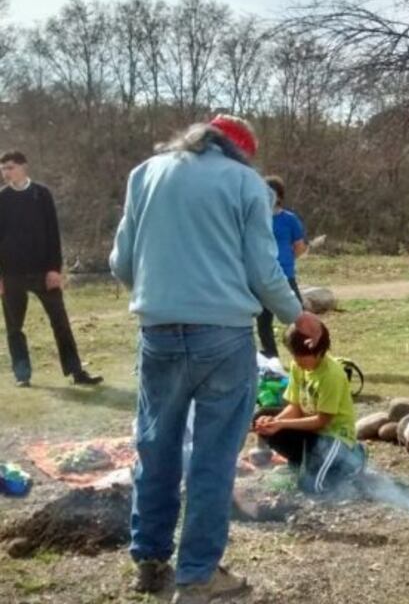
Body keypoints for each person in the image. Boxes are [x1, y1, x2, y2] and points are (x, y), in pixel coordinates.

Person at [110, 114, 324, 603]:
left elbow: (121, 262)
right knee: (212, 458)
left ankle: (149, 560)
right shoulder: (246, 184)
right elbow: (263, 270)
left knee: (156, 446)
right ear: (241, 152)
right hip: (223, 337)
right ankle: (197, 577)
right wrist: (297, 315)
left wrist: (161, 291)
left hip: (158, 333)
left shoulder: (145, 174)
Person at [0, 150, 102, 388]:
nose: (6, 173)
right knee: (14, 328)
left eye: (10, 167)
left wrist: (55, 269)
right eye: (3, 169)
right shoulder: (1, 198)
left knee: (60, 322)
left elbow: (53, 233)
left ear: (23, 167)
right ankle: (22, 375)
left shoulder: (41, 194)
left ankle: (76, 371)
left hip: (43, 272)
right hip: (11, 273)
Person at [253, 321, 365, 493]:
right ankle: (300, 462)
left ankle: (355, 458)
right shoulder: (298, 366)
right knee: (262, 416)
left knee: (314, 488)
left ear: (319, 352)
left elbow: (322, 421)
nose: (296, 361)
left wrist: (281, 424)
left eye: (301, 356)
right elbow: (295, 407)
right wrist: (273, 422)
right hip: (311, 433)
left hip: (333, 438)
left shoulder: (332, 375)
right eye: (294, 355)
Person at [256, 175, 307, 359]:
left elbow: (300, 246)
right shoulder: (257, 218)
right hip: (264, 276)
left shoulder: (289, 219)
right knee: (263, 321)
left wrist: (287, 259)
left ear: (278, 195)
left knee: (300, 316)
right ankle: (271, 357)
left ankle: (305, 352)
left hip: (285, 274)